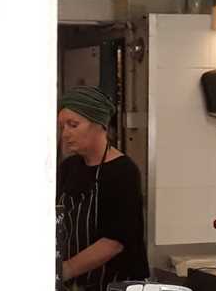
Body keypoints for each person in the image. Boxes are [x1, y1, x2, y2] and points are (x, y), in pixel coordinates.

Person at [57, 86, 149, 290]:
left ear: (99, 124)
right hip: (77, 284)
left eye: (73, 125)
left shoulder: (123, 172)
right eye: (62, 126)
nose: (65, 134)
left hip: (116, 283)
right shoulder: (69, 168)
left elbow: (114, 242)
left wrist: (65, 270)